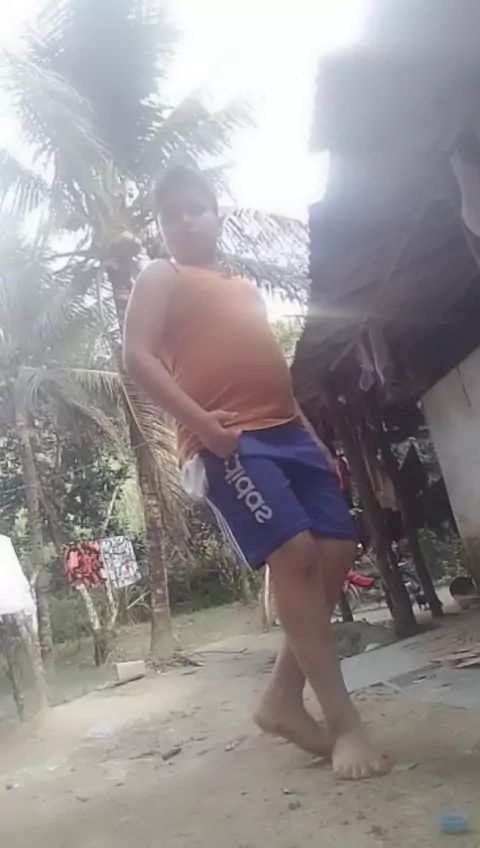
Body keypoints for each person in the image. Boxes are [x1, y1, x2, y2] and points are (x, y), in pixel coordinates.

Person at [123, 166, 387, 780]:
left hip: (289, 431)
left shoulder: (243, 288)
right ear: (161, 229)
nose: (185, 220)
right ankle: (344, 722)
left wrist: (313, 437)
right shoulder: (162, 276)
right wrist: (204, 425)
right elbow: (136, 356)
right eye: (171, 215)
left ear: (218, 214)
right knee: (293, 553)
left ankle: (281, 698)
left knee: (338, 548)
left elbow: (271, 368)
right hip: (227, 439)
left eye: (196, 208)